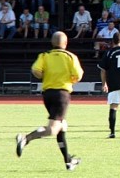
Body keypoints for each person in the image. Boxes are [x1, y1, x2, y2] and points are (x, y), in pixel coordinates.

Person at [15, 32, 84, 171]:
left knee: (62, 126)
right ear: (65, 43)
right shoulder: (70, 56)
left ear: (52, 43)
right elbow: (78, 75)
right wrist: (70, 80)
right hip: (62, 94)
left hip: (47, 94)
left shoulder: (45, 55)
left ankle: (68, 161)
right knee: (53, 129)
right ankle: (25, 138)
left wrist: (46, 76)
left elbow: (35, 70)